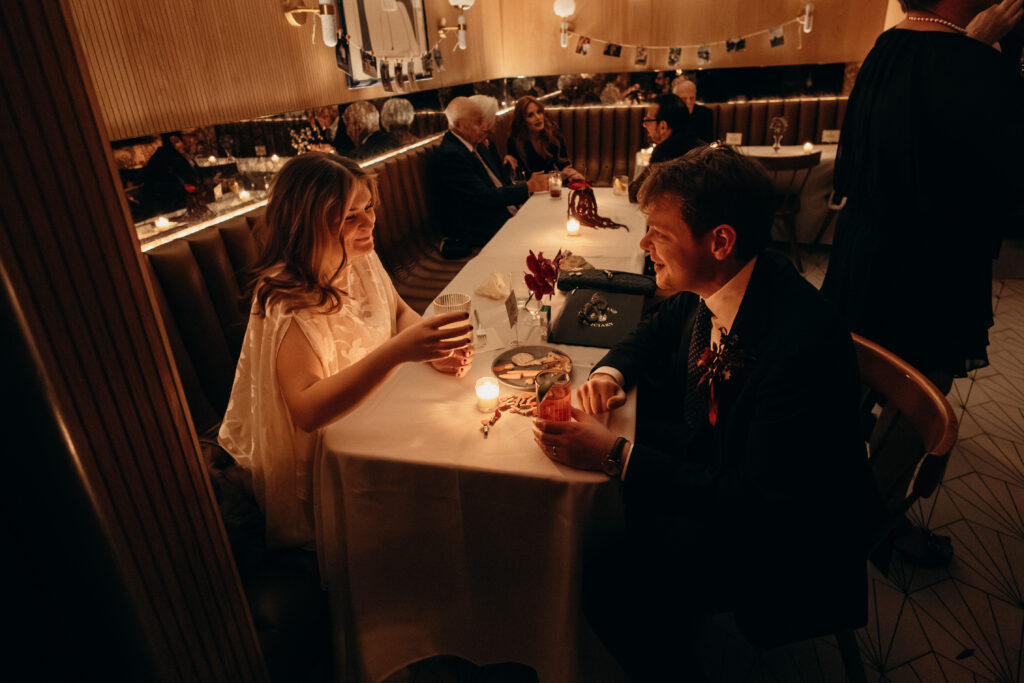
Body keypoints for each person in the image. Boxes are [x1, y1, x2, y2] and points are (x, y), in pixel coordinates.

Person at [534, 147, 877, 680]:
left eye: (659, 233)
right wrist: (608, 374)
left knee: (601, 576)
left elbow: (754, 502)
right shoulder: (723, 282)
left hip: (787, 542)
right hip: (724, 459)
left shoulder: (799, 344)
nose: (644, 244)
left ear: (720, 240)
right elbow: (653, 332)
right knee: (603, 499)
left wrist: (617, 455)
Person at [219, 153, 474, 549]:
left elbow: (398, 310)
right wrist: (398, 352)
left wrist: (431, 350)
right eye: (350, 217)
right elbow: (307, 410)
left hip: (377, 410)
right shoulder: (286, 299)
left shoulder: (361, 257)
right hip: (329, 458)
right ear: (307, 225)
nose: (369, 223)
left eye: (368, 207)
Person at [822, 0, 1024, 391]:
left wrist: (976, 46)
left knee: (860, 370)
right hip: (934, 260)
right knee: (919, 387)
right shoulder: (978, 65)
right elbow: (1004, 183)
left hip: (865, 246)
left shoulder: (886, 46)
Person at [432, 97, 549, 258]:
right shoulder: (452, 154)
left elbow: (496, 185)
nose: (484, 127)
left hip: (494, 214)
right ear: (458, 125)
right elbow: (483, 197)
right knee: (540, 231)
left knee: (545, 218)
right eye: (478, 122)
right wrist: (528, 187)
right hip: (475, 228)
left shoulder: (473, 145)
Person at [629, 93, 704, 202]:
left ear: (663, 126)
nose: (644, 125)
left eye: (648, 121)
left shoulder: (664, 152)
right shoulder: (702, 148)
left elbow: (637, 193)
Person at [505, 95, 581, 178]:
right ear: (522, 121)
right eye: (530, 115)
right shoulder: (514, 142)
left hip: (555, 185)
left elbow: (563, 164)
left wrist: (572, 174)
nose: (538, 117)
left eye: (539, 112)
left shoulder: (555, 134)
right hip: (532, 188)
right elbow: (520, 177)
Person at [140, 131, 200, 219]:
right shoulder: (167, 157)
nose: (194, 141)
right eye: (190, 137)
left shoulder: (177, 155)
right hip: (167, 211)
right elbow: (186, 185)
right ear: (174, 140)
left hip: (178, 206)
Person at [672, 77, 715, 142]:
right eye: (684, 99)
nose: (688, 102)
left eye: (692, 98)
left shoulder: (706, 114)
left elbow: (708, 142)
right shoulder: (670, 114)